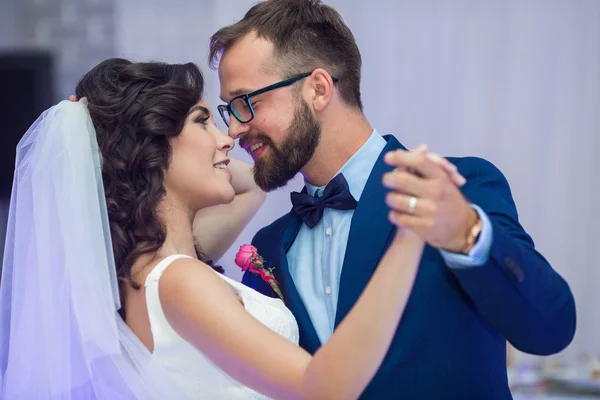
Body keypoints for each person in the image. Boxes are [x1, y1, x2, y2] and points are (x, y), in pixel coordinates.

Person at [0, 58, 462, 399]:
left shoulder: (144, 274)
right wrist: (410, 233)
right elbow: (324, 387)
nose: (229, 137)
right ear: (152, 147)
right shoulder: (178, 280)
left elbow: (251, 184)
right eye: (203, 121)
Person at [210, 0, 577, 398]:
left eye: (247, 102)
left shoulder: (456, 188)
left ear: (318, 89)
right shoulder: (269, 247)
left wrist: (468, 235)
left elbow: (550, 328)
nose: (233, 128)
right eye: (229, 109)